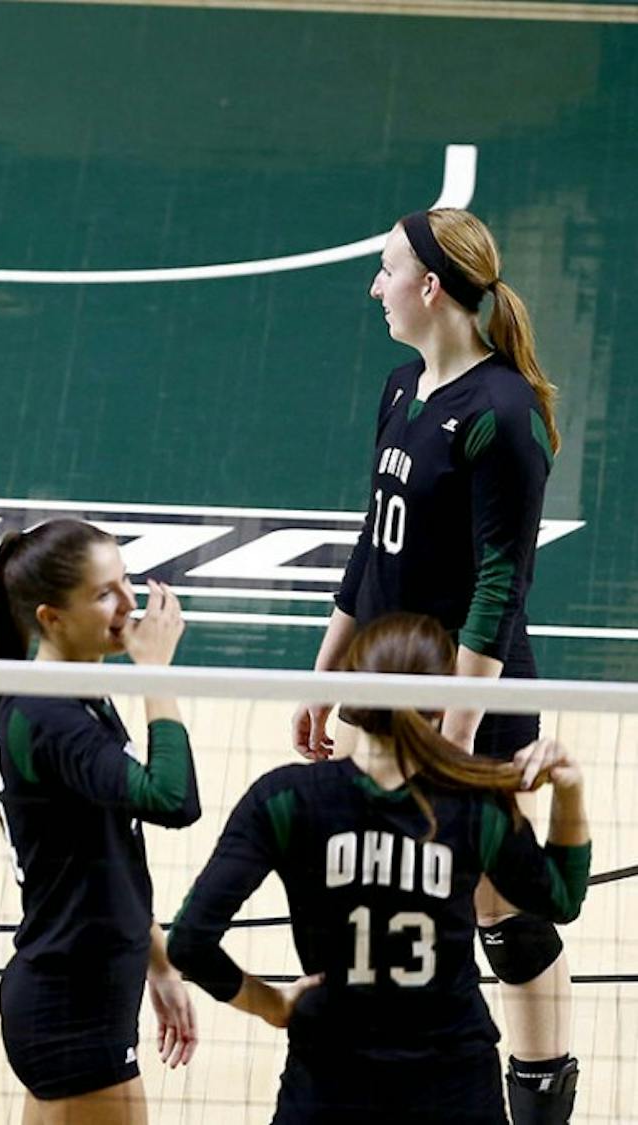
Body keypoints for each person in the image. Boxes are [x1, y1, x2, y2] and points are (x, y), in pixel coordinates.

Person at [291, 208, 577, 1121]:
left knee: (496, 904)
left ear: (430, 287)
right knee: (410, 889)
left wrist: (452, 733)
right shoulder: (401, 387)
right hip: (388, 693)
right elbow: (370, 545)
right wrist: (325, 676)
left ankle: (538, 1091)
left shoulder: (502, 415)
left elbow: (502, 582)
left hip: (471, 706)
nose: (373, 287)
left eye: (385, 272)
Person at [173, 613, 590, 1124]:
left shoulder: (284, 799)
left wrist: (273, 1004)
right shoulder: (476, 807)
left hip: (329, 1077)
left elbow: (188, 943)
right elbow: (562, 900)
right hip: (452, 1078)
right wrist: (570, 793)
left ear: (352, 695)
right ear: (443, 704)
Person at [0, 519, 201, 1124]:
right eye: (105, 593)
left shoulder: (73, 697)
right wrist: (156, 674)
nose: (130, 605)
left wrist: (159, 964)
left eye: (125, 581)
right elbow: (173, 799)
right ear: (51, 618)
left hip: (79, 995)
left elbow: (109, 855)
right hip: (73, 1009)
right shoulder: (52, 721)